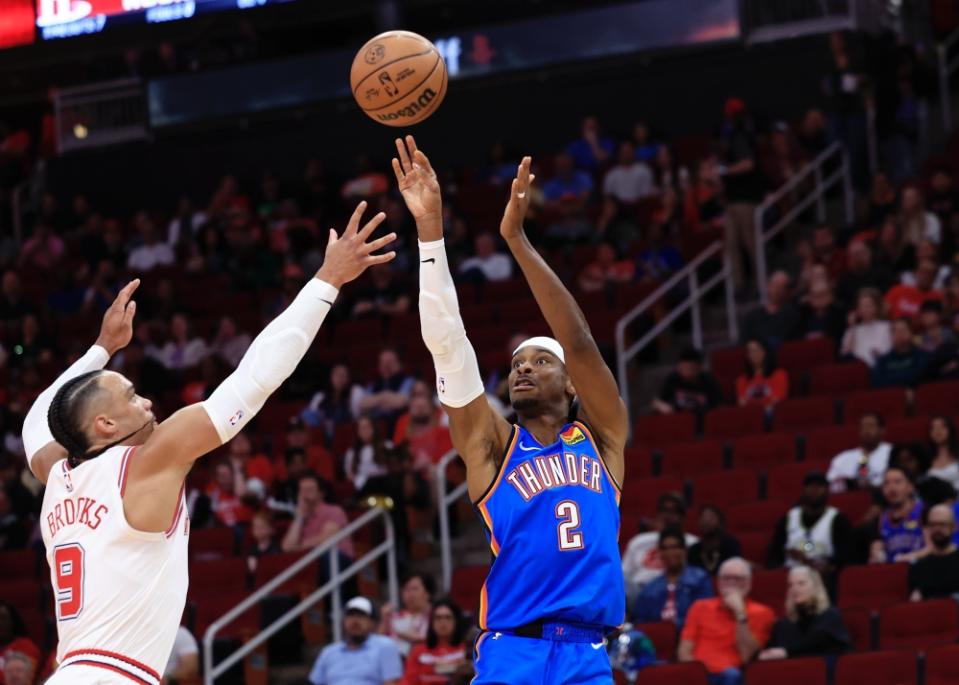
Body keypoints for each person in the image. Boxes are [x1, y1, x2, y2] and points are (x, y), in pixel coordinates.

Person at [20, 202, 394, 684]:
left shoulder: (56, 476)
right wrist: (327, 280)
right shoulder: (144, 465)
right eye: (132, 396)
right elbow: (253, 379)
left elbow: (37, 422)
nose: (148, 401)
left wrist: (101, 349)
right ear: (107, 425)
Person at [393, 136, 627, 684]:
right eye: (518, 362)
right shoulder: (493, 446)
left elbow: (581, 340)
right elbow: (449, 347)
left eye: (541, 361)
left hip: (588, 655)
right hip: (511, 654)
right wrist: (431, 234)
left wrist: (517, 240)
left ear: (571, 385)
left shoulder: (604, 440)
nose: (522, 368)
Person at [678, 558, 775, 685]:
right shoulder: (699, 607)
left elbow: (747, 655)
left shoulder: (763, 613)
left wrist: (740, 612)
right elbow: (684, 652)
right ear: (718, 582)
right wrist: (697, 674)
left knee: (732, 675)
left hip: (732, 677)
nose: (731, 583)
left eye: (738, 579)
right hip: (700, 675)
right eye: (726, 578)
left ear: (749, 583)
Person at [767, 472, 853, 579]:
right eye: (810, 486)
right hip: (790, 576)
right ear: (803, 490)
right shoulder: (788, 518)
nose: (815, 490)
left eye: (820, 486)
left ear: (827, 491)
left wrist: (826, 565)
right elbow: (774, 554)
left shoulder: (838, 519)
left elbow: (845, 557)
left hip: (823, 578)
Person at [719, 98, 765, 293]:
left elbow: (748, 164)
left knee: (750, 243)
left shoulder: (742, 135)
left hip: (746, 199)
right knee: (730, 244)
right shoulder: (732, 136)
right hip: (732, 200)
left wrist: (724, 171)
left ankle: (761, 282)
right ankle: (736, 286)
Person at [758, 566, 850, 661]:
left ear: (815, 586)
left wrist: (787, 652)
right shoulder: (784, 624)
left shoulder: (830, 615)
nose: (795, 589)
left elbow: (817, 642)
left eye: (801, 583)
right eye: (791, 585)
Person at [309, 596, 403, 685]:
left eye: (361, 616)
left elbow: (391, 683)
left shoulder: (385, 646)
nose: (355, 621)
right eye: (350, 615)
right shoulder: (329, 652)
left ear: (372, 623)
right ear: (344, 621)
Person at [633, 527, 714, 630]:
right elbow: (640, 622)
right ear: (660, 553)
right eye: (665, 548)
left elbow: (705, 615)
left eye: (675, 547)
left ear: (684, 550)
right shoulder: (650, 589)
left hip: (692, 636)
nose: (670, 552)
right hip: (657, 640)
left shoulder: (700, 579)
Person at [622, 492, 697, 602]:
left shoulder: (692, 542)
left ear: (682, 516)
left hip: (675, 591)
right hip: (639, 591)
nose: (668, 516)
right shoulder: (639, 541)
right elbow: (624, 573)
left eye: (673, 511)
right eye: (664, 511)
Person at [281, 472, 352, 557]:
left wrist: (298, 548)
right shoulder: (301, 518)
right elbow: (286, 548)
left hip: (336, 559)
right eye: (301, 490)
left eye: (309, 490)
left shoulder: (334, 511)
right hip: (311, 560)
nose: (304, 495)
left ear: (321, 493)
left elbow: (326, 539)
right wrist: (299, 517)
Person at [401, 599, 470, 685]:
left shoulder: (467, 649)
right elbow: (408, 681)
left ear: (456, 621)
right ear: (431, 622)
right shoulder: (418, 651)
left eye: (448, 617)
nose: (442, 622)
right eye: (438, 618)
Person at [868, 466, 924, 563]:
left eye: (897, 482)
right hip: (893, 573)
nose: (892, 488)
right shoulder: (880, 519)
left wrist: (910, 557)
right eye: (886, 483)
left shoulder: (924, 512)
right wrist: (876, 554)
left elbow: (934, 549)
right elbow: (877, 552)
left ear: (910, 487)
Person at [826, 413, 891, 492]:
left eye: (871, 426)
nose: (867, 430)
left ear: (882, 430)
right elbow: (830, 485)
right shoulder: (842, 459)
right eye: (863, 427)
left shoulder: (892, 452)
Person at [652, 347, 722, 417]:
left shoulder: (709, 382)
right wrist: (662, 406)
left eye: (692, 368)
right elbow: (657, 401)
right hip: (678, 420)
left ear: (700, 368)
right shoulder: (672, 379)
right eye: (684, 367)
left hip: (702, 420)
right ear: (679, 367)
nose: (688, 372)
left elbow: (718, 407)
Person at [908, 504, 959, 600]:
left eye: (942, 524)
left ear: (954, 527)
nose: (937, 529)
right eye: (933, 524)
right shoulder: (919, 567)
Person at [380, 573, 434, 658]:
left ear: (428, 593)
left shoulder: (438, 614)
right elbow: (377, 645)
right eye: (406, 590)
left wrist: (418, 639)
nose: (410, 594)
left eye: (414, 589)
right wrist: (384, 620)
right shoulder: (395, 617)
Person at [740, 271, 799, 349]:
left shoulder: (793, 315)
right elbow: (742, 345)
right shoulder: (752, 318)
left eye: (781, 287)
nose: (777, 290)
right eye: (775, 285)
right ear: (768, 286)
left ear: (787, 290)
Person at [356, 348, 415, 425]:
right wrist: (385, 396)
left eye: (390, 362)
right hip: (376, 427)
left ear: (399, 364)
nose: (386, 366)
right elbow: (362, 404)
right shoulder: (373, 384)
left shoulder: (408, 381)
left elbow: (401, 402)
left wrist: (376, 402)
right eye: (382, 362)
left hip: (400, 424)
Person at [870, 318, 928, 388]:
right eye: (896, 331)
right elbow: (877, 382)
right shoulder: (882, 361)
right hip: (890, 397)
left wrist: (893, 379)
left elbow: (919, 377)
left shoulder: (922, 356)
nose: (900, 334)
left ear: (911, 333)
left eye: (903, 330)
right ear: (891, 336)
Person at [688, 505, 742, 577]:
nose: (706, 521)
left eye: (710, 518)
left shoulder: (731, 545)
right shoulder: (694, 550)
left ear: (721, 522)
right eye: (703, 518)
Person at [736, 338, 789, 411]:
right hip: (750, 416)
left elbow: (777, 400)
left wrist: (753, 403)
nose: (753, 354)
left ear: (765, 352)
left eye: (757, 350)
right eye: (750, 351)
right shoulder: (741, 380)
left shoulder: (779, 374)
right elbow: (742, 404)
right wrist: (765, 402)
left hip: (773, 414)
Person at [344, 415, 390, 492]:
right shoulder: (351, 452)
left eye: (367, 427)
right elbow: (349, 475)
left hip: (384, 486)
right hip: (362, 489)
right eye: (361, 428)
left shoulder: (387, 446)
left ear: (374, 429)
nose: (364, 431)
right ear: (357, 432)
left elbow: (393, 470)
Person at [926, 415, 959, 491]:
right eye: (933, 428)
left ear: (950, 430)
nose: (937, 431)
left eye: (942, 427)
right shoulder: (925, 457)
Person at [246, 510, 281, 574]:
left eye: (262, 526)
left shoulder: (276, 547)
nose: (258, 530)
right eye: (255, 527)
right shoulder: (252, 550)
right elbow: (251, 570)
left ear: (272, 529)